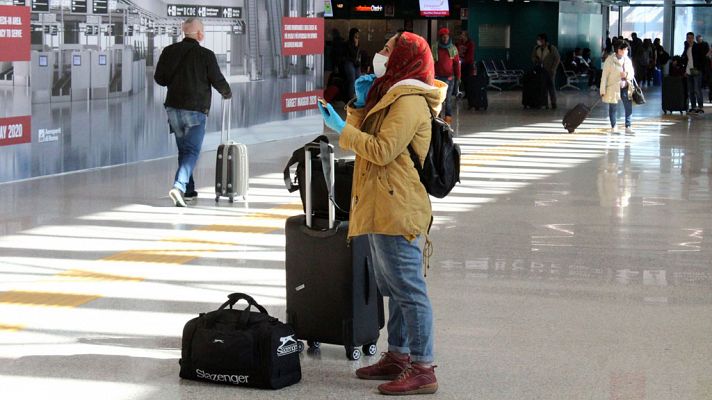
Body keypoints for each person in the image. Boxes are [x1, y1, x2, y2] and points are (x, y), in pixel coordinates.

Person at [317, 31, 447, 396]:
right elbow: (368, 134)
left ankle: (423, 367)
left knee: (410, 290)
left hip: (398, 207)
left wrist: (342, 130)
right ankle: (399, 354)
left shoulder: (407, 101)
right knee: (396, 288)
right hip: (381, 202)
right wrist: (357, 106)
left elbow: (382, 149)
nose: (380, 54)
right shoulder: (390, 93)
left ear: (404, 58)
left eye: (388, 50)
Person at [154, 17, 232, 207]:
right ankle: (179, 187)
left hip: (173, 108)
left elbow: (160, 79)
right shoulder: (205, 54)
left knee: (184, 150)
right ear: (198, 34)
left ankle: (188, 191)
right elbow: (217, 79)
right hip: (195, 109)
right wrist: (227, 93)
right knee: (192, 150)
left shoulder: (168, 51)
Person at [601, 41, 635, 135]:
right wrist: (602, 90)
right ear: (619, 50)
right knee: (613, 107)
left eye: (627, 49)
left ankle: (628, 126)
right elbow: (604, 76)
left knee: (628, 107)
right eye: (625, 49)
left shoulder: (627, 60)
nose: (626, 51)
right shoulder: (610, 60)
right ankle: (614, 126)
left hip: (625, 87)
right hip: (613, 88)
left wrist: (627, 74)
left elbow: (632, 73)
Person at [432, 27, 461, 124]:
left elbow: (456, 64)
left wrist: (458, 77)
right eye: (443, 37)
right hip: (437, 78)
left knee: (448, 99)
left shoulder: (453, 49)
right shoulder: (435, 48)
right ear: (440, 38)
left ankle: (448, 117)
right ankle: (438, 117)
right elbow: (431, 63)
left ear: (449, 37)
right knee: (438, 99)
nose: (445, 39)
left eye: (446, 37)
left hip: (450, 78)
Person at [531, 33, 560, 109]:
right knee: (542, 87)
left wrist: (553, 68)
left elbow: (557, 59)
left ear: (543, 40)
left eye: (539, 39)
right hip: (540, 70)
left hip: (550, 71)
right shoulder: (536, 48)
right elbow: (533, 57)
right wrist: (536, 60)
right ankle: (544, 103)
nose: (538, 41)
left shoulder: (551, 48)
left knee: (551, 86)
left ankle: (553, 102)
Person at [682, 32, 707, 114]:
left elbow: (702, 56)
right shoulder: (686, 47)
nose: (689, 39)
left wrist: (699, 68)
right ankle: (693, 107)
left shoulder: (697, 46)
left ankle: (700, 107)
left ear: (693, 38)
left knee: (697, 89)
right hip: (689, 71)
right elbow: (685, 59)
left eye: (690, 38)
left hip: (696, 70)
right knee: (691, 90)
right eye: (688, 38)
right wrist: (685, 69)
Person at [343, 28, 362, 101]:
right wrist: (356, 46)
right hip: (349, 62)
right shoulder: (348, 43)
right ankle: (350, 98)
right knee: (352, 79)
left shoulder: (358, 43)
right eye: (355, 35)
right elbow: (353, 54)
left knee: (359, 79)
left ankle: (358, 97)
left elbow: (358, 54)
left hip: (356, 63)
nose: (357, 37)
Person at [457, 30, 475, 97]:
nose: (461, 36)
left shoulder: (470, 43)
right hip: (461, 64)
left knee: (468, 80)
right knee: (463, 79)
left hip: (468, 64)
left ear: (466, 36)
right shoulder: (460, 43)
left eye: (462, 35)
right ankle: (466, 94)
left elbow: (470, 55)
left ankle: (469, 94)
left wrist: (464, 60)